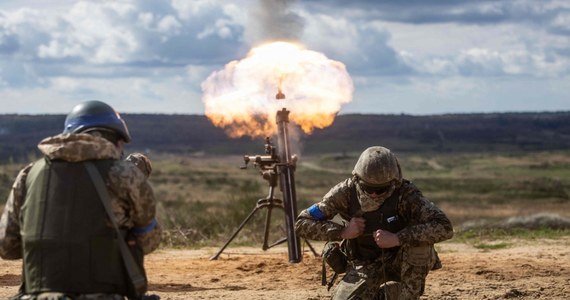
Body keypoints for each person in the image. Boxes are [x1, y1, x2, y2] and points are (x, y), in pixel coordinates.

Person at [0, 100, 161, 300]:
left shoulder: (29, 174)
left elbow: (6, 247)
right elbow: (149, 241)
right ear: (117, 141)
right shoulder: (125, 174)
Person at [295, 146, 453, 299]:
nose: (374, 194)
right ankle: (385, 295)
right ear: (357, 180)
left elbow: (444, 226)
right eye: (368, 188)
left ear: (393, 183)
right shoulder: (345, 192)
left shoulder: (406, 194)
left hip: (400, 259)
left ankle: (407, 295)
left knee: (421, 247)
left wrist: (398, 238)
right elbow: (302, 222)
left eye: (381, 189)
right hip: (363, 262)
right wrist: (342, 232)